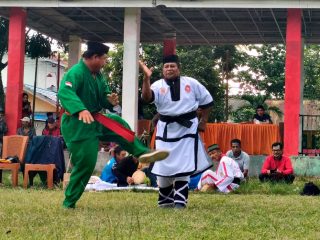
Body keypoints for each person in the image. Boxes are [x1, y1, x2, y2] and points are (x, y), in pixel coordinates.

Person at [57, 41, 169, 209]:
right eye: (103, 59)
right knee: (86, 164)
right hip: (76, 124)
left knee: (118, 124)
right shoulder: (76, 72)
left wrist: (110, 101)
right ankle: (69, 202)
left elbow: (104, 96)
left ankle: (142, 153)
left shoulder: (98, 75)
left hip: (95, 119)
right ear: (94, 57)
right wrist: (80, 109)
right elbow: (64, 92)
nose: (105, 62)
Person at [140, 55, 213, 208]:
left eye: (172, 66)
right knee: (163, 165)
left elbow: (207, 102)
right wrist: (146, 78)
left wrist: (203, 122)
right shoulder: (157, 85)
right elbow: (147, 98)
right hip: (165, 131)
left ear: (179, 68)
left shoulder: (191, 83)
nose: (169, 69)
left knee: (184, 165)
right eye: (166, 67)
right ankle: (165, 201)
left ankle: (180, 201)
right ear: (162, 70)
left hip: (187, 130)